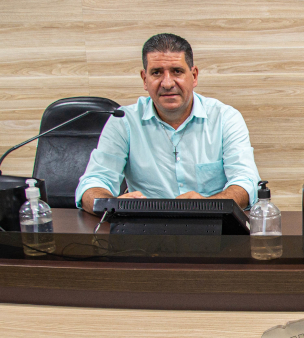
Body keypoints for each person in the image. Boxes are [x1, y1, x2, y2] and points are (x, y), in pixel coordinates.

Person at [75, 33, 260, 212]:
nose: (167, 83)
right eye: (156, 73)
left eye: (177, 72)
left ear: (194, 76)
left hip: (213, 228)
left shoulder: (225, 118)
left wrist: (208, 206)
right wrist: (114, 205)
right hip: (145, 232)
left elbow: (246, 182)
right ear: (144, 79)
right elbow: (92, 184)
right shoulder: (123, 121)